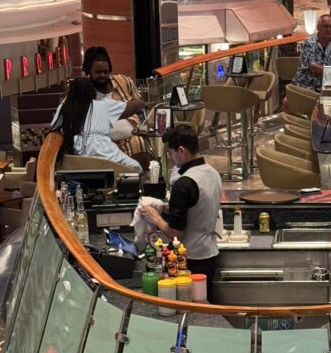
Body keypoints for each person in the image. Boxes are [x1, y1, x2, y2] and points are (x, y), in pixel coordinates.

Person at [139, 125, 222, 288]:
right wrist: (165, 207)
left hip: (190, 260)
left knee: (192, 302)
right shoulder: (213, 173)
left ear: (182, 150)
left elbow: (176, 234)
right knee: (205, 300)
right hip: (211, 254)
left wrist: (155, 217)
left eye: (170, 152)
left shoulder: (183, 183)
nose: (170, 158)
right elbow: (199, 206)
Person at [51, 77, 145, 170]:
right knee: (136, 167)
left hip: (76, 158)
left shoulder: (64, 108)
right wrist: (143, 104)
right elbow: (133, 106)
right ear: (92, 91)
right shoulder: (103, 105)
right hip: (106, 155)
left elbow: (54, 127)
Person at [82, 45, 150, 159]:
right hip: (100, 143)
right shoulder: (82, 90)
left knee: (140, 145)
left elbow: (139, 105)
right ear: (89, 72)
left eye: (105, 72)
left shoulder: (123, 81)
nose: (102, 75)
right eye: (98, 72)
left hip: (130, 138)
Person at [293, 13, 331, 92]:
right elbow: (314, 68)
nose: (328, 29)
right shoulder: (309, 43)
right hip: (307, 85)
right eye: (325, 26)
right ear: (318, 28)